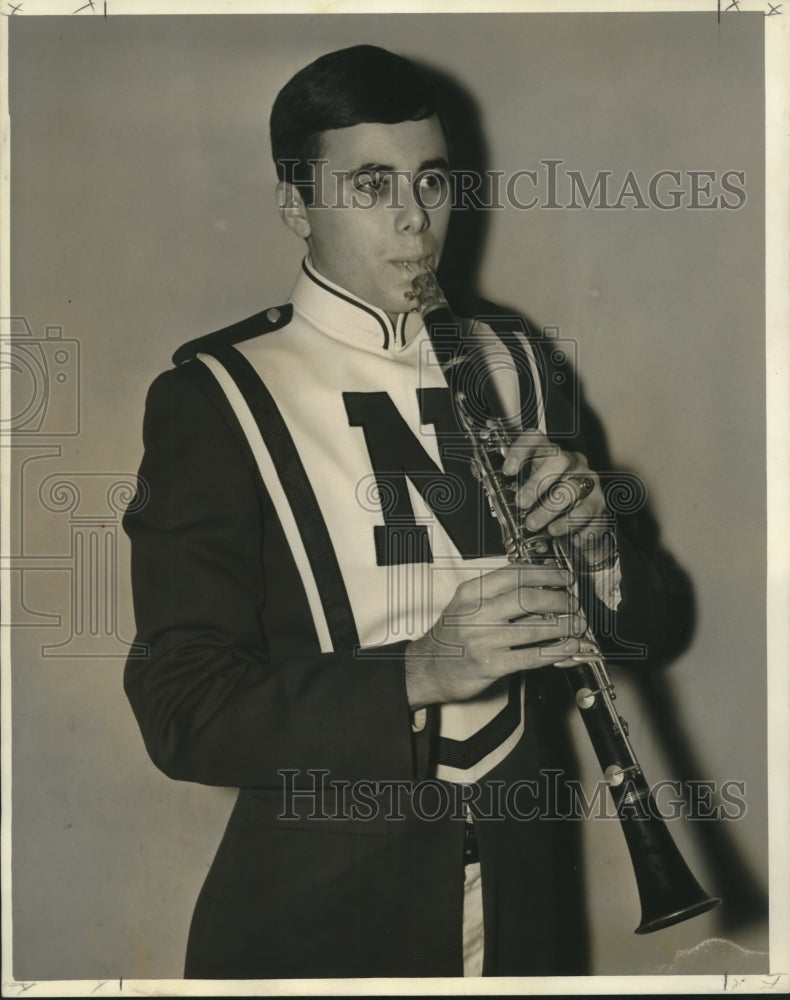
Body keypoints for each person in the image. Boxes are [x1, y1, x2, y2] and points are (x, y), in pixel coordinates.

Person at [123, 45, 665, 979]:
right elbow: (183, 712)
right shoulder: (218, 394)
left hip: (524, 895)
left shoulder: (520, 364)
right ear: (297, 204)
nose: (416, 218)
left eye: (431, 180)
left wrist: (600, 548)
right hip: (323, 908)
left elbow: (649, 623)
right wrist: (419, 671)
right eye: (372, 185)